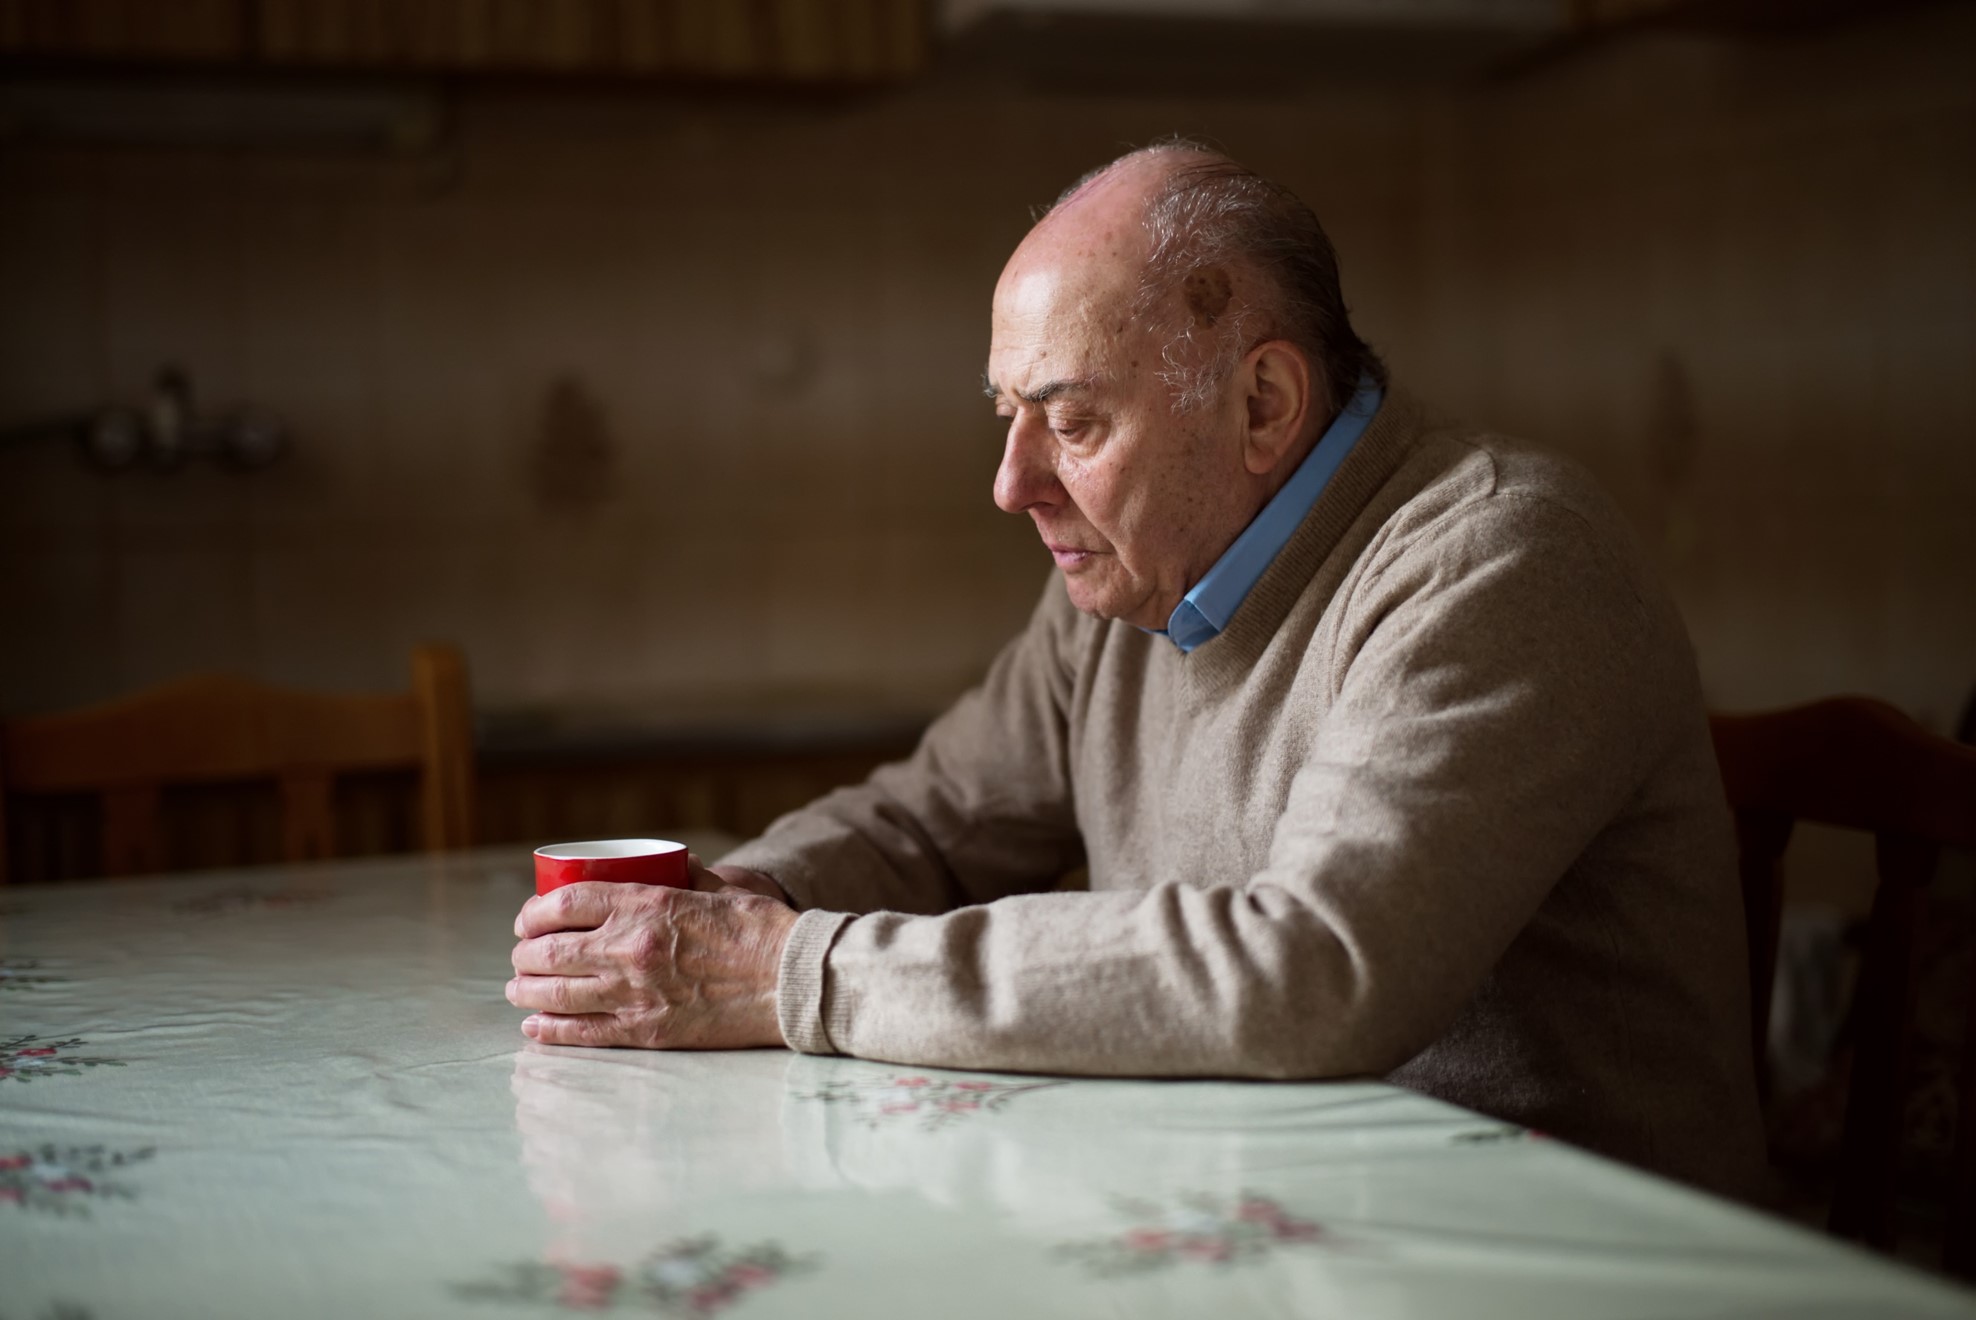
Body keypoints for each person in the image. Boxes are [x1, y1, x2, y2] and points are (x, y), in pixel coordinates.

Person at [507, 141, 1766, 1199]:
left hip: (1548, 1253)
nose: (1011, 483)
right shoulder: (1128, 578)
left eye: (1070, 420)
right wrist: (716, 912)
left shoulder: (1498, 560)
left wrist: (785, 971)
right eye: (1006, 414)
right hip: (1262, 1211)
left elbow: (1307, 977)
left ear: (1263, 403)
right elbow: (927, 821)